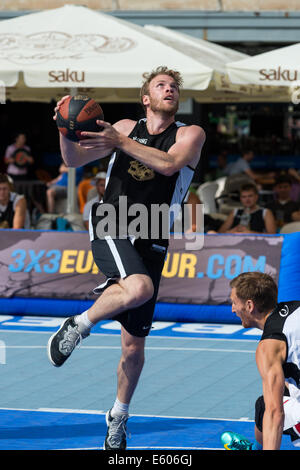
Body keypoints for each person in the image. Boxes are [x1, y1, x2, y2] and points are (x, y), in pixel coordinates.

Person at [47, 66, 206, 450]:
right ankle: (79, 325)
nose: (169, 90)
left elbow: (168, 164)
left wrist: (119, 140)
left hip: (153, 234)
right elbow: (72, 161)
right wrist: (64, 127)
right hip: (112, 220)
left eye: (173, 87)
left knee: (133, 347)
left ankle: (118, 416)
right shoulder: (121, 125)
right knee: (140, 287)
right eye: (160, 86)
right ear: (146, 99)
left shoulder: (189, 134)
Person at [221, 272, 300, 451]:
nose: (233, 309)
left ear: (249, 305)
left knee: (266, 407)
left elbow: (275, 413)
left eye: (234, 302)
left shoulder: (269, 346)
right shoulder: (296, 309)